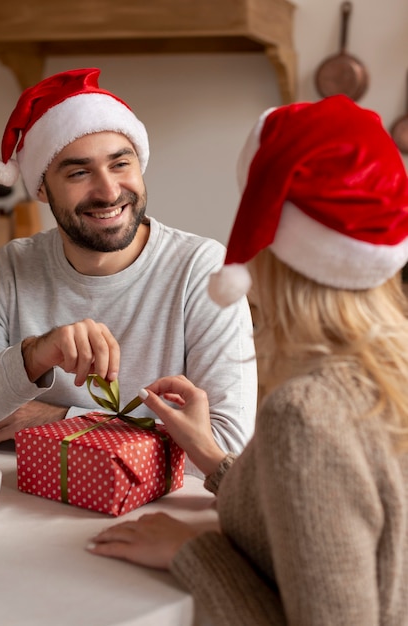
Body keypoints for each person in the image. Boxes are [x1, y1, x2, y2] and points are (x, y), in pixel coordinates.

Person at [88, 95, 408, 625]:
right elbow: (330, 515)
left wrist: (192, 554)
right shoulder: (385, 373)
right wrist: (215, 461)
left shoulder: (307, 414)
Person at [0, 68, 257, 476]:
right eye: (78, 172)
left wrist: (62, 420)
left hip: (152, 519)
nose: (109, 191)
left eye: (120, 164)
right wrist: (32, 357)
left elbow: (226, 450)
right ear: (41, 188)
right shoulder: (15, 266)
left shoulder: (200, 269)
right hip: (28, 500)